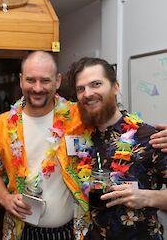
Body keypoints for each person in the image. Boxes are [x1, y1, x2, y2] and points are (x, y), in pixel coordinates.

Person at [0, 51, 167, 240]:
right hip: (20, 230)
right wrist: (5, 198)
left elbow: (117, 120)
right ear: (21, 80)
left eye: (45, 80)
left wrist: (148, 196)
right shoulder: (2, 125)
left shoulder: (79, 117)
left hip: (74, 231)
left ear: (57, 81)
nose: (37, 88)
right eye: (31, 80)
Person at [67, 57, 167, 240]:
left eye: (96, 84)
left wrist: (147, 197)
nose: (87, 93)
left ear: (115, 87)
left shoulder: (151, 137)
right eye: (81, 88)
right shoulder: (83, 139)